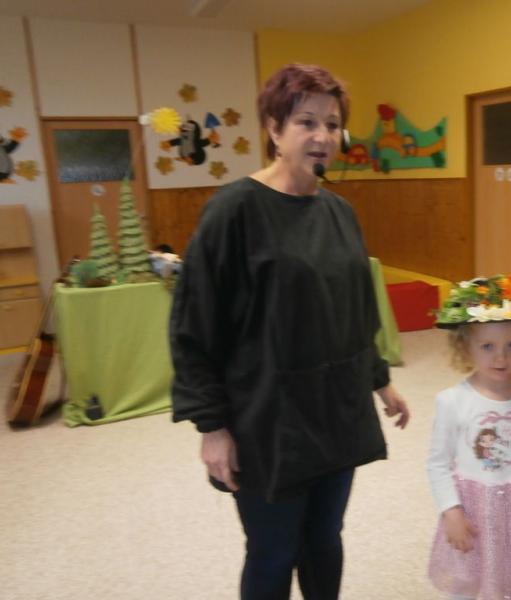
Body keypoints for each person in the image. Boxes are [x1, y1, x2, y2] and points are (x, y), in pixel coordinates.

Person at [169, 63, 410, 600]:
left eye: (332, 123)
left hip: (336, 410)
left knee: (324, 539)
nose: (322, 136)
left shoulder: (341, 213)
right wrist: (212, 426)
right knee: (273, 550)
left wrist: (379, 379)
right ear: (274, 129)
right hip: (267, 420)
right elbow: (193, 326)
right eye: (306, 122)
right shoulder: (233, 211)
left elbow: (356, 311)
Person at [427, 274, 511, 600]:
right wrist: (451, 512)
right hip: (472, 513)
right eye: (487, 346)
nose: (501, 358)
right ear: (465, 347)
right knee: (467, 579)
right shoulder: (452, 401)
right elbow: (438, 464)